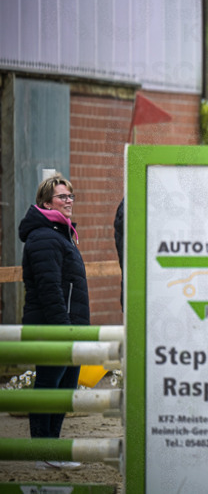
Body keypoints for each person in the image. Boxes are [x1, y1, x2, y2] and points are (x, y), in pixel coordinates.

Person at [19, 173, 90, 469]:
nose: (69, 201)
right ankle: (42, 453)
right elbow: (50, 288)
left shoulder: (63, 235)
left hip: (68, 324)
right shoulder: (44, 237)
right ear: (46, 202)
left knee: (65, 388)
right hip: (54, 326)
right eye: (63, 197)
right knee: (49, 385)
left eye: (71, 196)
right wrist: (63, 327)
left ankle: (53, 450)